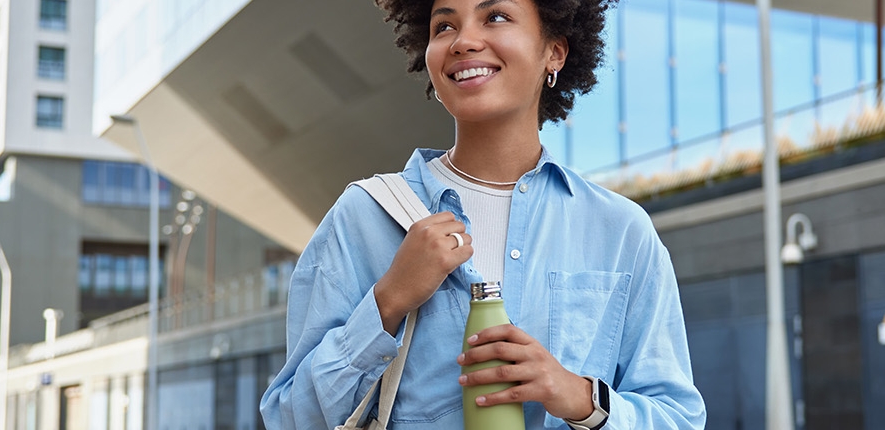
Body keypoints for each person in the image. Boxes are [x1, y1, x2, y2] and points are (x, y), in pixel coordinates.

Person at [259, 0, 705, 428]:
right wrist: (388, 301)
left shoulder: (619, 230)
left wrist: (575, 395)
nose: (463, 41)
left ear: (554, 51)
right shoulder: (364, 215)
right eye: (444, 26)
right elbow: (291, 418)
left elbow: (677, 416)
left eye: (495, 16)